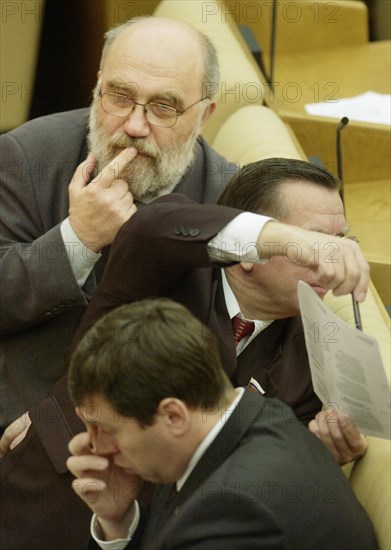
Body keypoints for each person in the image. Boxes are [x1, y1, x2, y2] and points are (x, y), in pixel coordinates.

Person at [0, 159, 369, 549]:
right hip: (57, 483)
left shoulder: (316, 356)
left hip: (173, 530)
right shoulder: (168, 264)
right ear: (253, 248)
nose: (331, 261)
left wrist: (322, 451)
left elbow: (258, 471)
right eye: (316, 242)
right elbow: (151, 228)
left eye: (342, 242)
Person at [0, 15, 236, 432]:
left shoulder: (230, 199)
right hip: (22, 419)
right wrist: (78, 238)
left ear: (204, 116)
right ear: (97, 88)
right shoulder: (25, 155)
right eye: (119, 96)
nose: (133, 126)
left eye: (164, 107)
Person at [67, 298, 378, 549]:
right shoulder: (258, 416)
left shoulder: (234, 511)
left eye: (107, 429)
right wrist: (118, 521)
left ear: (173, 416)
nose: (95, 446)